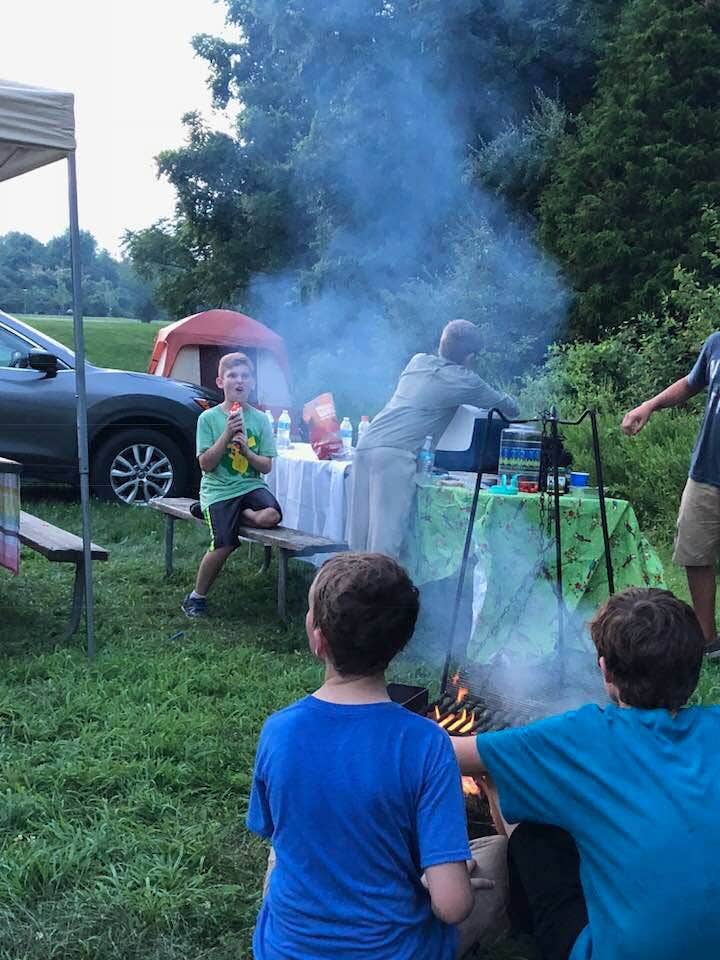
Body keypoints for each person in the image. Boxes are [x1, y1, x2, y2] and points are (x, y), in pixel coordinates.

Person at [247, 552, 509, 960]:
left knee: (283, 847)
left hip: (287, 950)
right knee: (499, 854)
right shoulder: (426, 744)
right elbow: (453, 906)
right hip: (396, 952)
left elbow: (269, 828)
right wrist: (452, 875)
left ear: (317, 639)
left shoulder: (278, 731)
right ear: (401, 644)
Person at [453, 587, 720, 960]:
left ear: (604, 670)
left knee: (509, 792)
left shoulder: (583, 735)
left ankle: (519, 916)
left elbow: (455, 755)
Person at [349, 319, 519, 558]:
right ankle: (380, 594)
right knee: (384, 545)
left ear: (441, 344)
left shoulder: (417, 362)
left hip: (365, 446)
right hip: (394, 456)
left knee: (358, 543)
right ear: (470, 357)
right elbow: (510, 408)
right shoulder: (465, 380)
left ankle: (348, 593)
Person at [622, 338, 720, 656]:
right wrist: (648, 405)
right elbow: (691, 383)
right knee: (695, 552)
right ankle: (707, 642)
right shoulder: (717, 342)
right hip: (706, 470)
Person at [181, 352, 282, 618]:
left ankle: (239, 514)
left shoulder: (260, 420)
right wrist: (227, 434)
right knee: (225, 543)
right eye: (233, 376)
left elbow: (266, 466)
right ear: (220, 381)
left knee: (272, 515)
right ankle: (196, 597)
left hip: (249, 486)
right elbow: (206, 464)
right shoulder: (209, 419)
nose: (240, 381)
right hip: (219, 489)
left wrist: (247, 453)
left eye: (245, 376)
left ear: (252, 383)